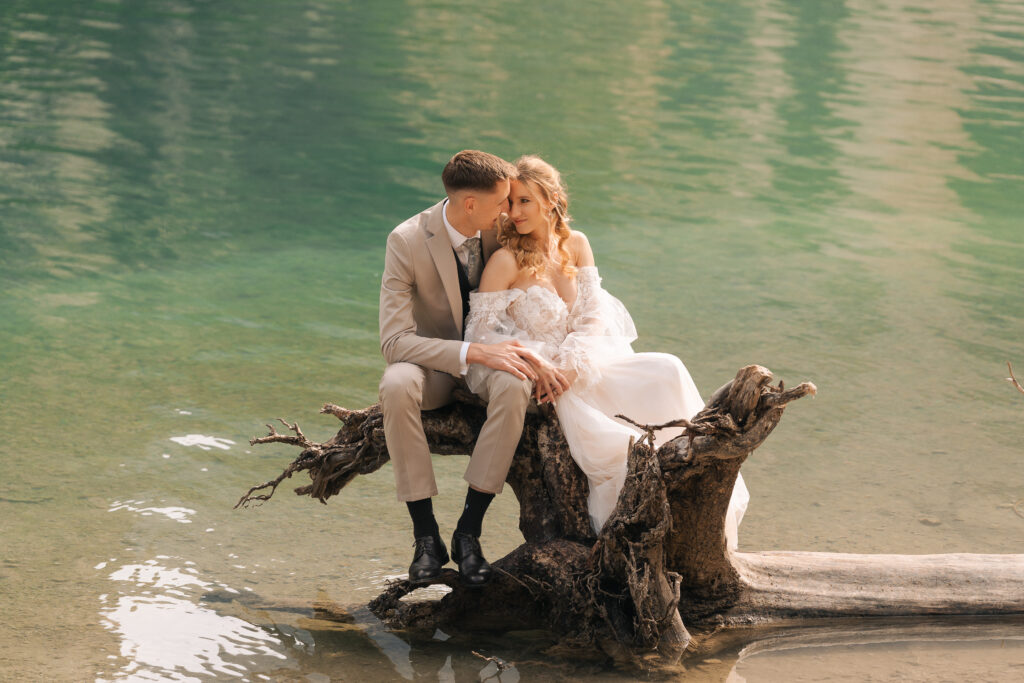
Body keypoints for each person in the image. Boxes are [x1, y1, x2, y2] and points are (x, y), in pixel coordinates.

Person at [465, 155, 749, 542]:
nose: (514, 213)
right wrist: (539, 363)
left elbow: (593, 314)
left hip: (584, 363)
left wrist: (574, 364)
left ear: (551, 199)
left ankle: (694, 491)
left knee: (667, 368)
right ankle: (638, 533)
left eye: (524, 201)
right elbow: (479, 335)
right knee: (619, 444)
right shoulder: (505, 260)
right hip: (548, 379)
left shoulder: (576, 243)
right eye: (510, 203)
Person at [378, 150, 569, 587]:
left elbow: (551, 250)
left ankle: (469, 531)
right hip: (434, 366)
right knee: (396, 383)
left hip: (496, 361)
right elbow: (394, 342)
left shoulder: (502, 229)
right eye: (502, 201)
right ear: (470, 204)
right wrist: (473, 353)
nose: (509, 210)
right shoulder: (406, 241)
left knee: (515, 384)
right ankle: (426, 536)